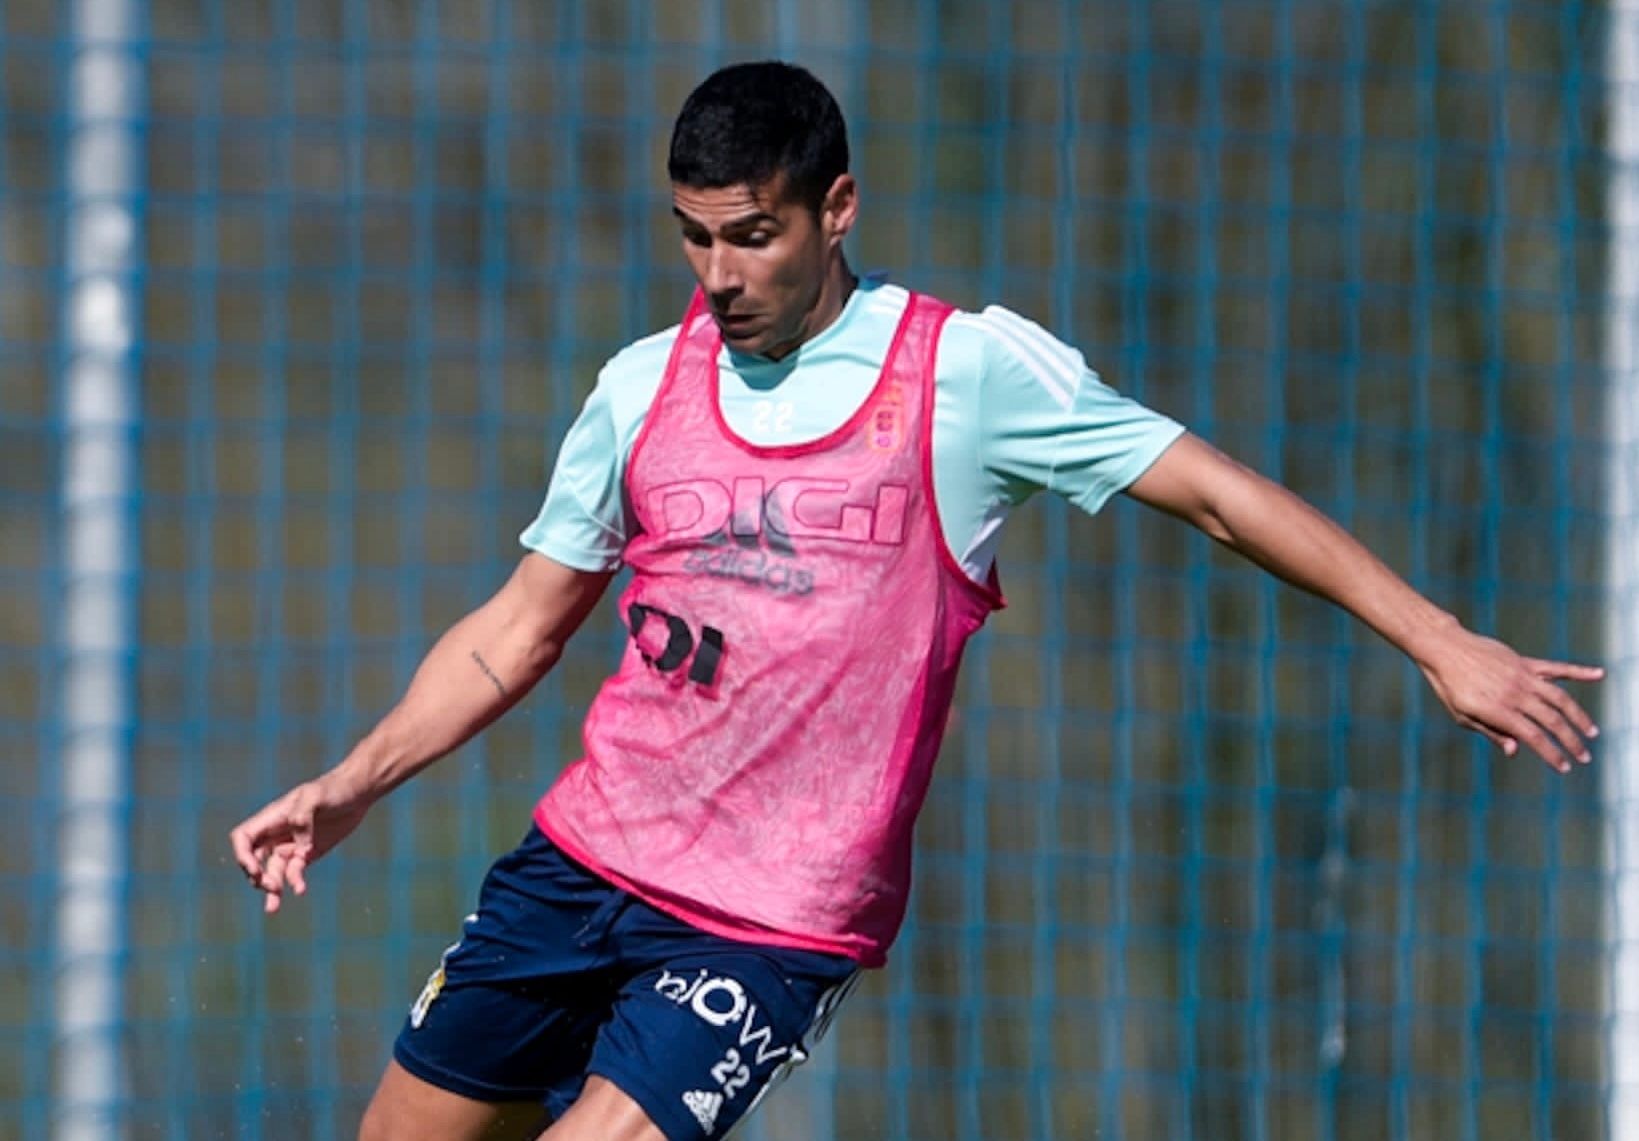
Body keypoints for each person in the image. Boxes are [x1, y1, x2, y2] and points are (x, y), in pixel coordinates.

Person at [229, 60, 1603, 1141]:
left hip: (766, 918)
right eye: (694, 238)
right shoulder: (642, 383)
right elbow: (513, 631)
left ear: (837, 208)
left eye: (752, 236)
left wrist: (1439, 638)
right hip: (582, 858)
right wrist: (352, 783)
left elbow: (1219, 493)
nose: (719, 276)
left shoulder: (967, 375)